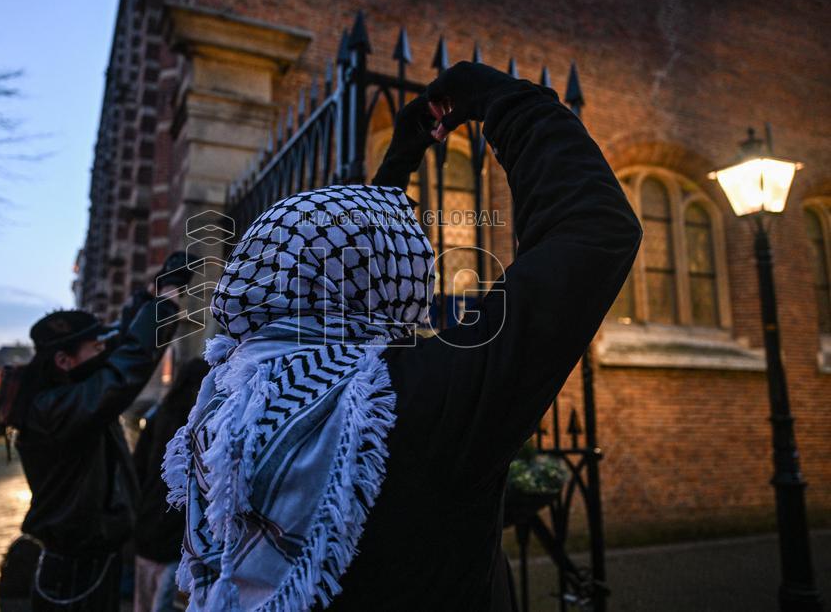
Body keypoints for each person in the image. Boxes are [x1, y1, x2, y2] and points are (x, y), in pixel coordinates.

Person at [162, 61, 642, 610]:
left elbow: (346, 268)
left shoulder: (225, 397)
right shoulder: (420, 395)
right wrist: (500, 98)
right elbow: (594, 229)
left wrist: (400, 163)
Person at [13, 252, 193, 611]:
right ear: (64, 361)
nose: (103, 350)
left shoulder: (64, 391)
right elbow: (124, 369)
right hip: (74, 569)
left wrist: (149, 296)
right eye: (93, 347)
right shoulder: (54, 408)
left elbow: (117, 342)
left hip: (91, 560)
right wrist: (166, 303)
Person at [132, 357, 210, 612]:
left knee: (145, 600)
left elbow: (138, 468)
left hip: (149, 522)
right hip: (176, 530)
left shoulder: (159, 415)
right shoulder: (200, 424)